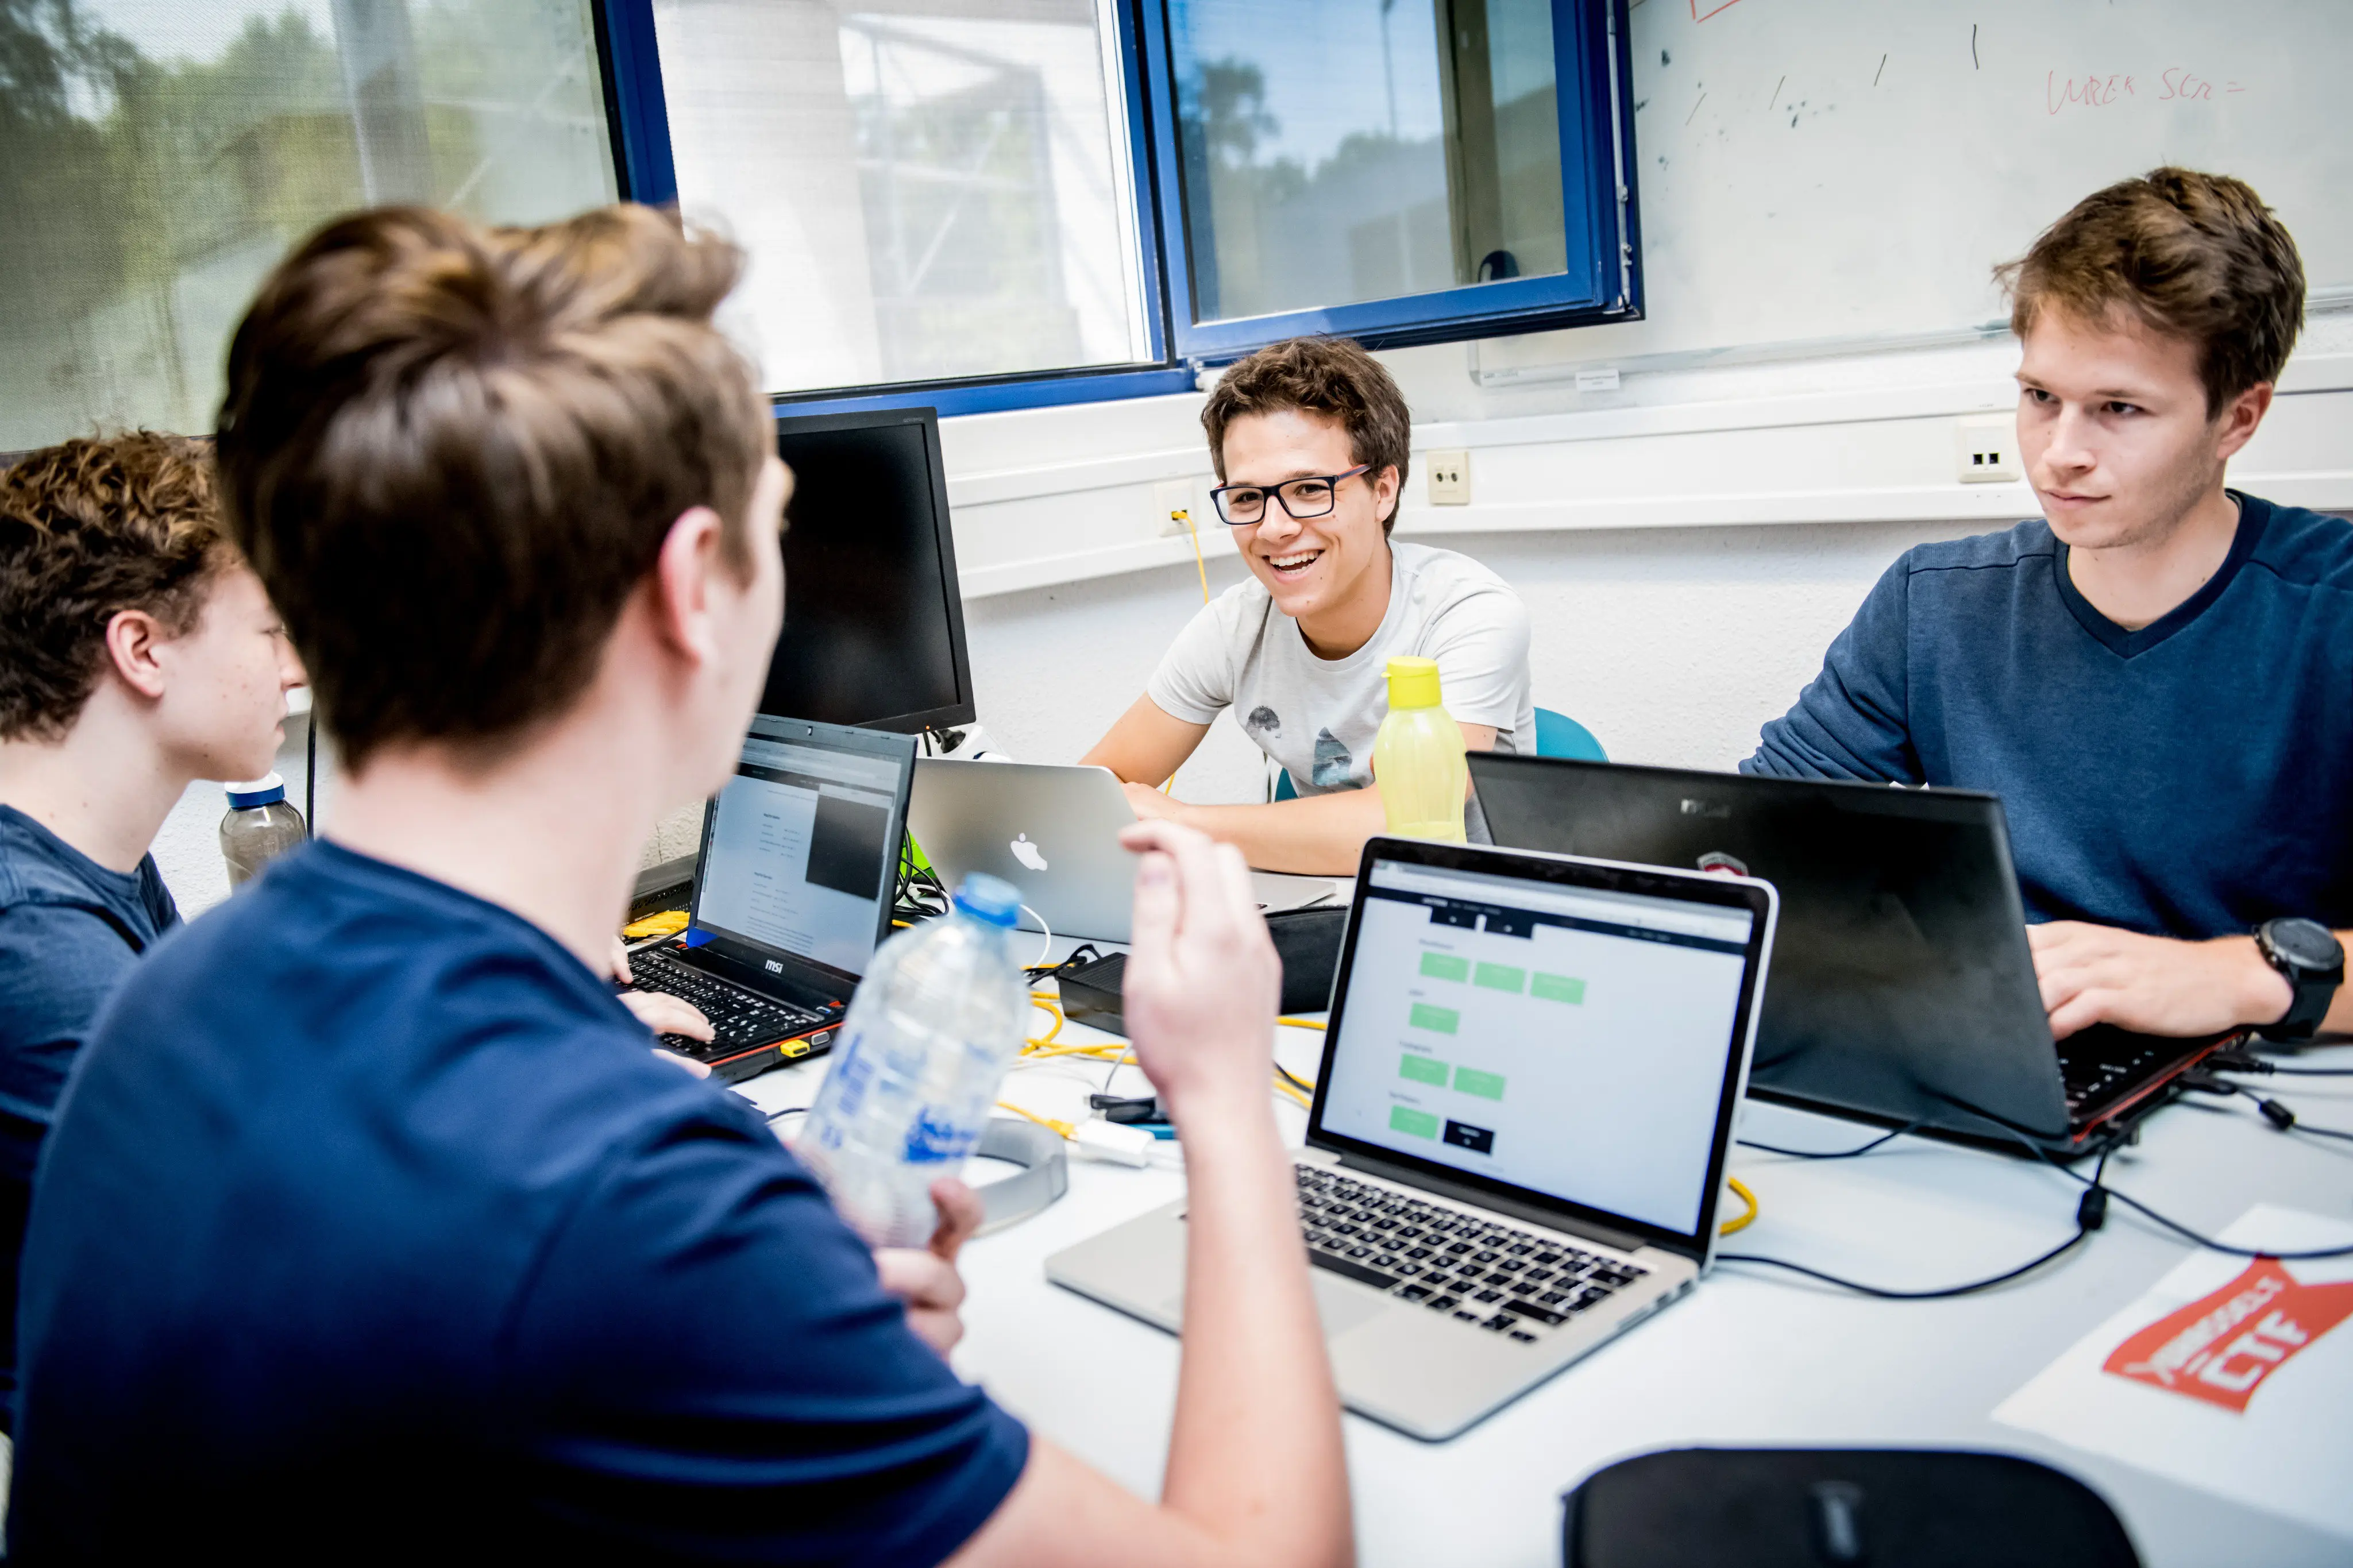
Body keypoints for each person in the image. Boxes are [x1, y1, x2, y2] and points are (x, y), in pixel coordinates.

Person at [12, 205, 1351, 1568]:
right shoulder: (628, 1207)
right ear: (692, 593)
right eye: (778, 530)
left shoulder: (178, 988)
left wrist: (771, 1309)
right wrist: (1227, 1104)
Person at [1746, 168, 2353, 1041]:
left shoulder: (2331, 614)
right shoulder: (1933, 603)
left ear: (2238, 419)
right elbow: (1755, 839)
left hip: (2256, 1090)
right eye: (2040, 398)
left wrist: (2226, 976)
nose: (2059, 453)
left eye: (2119, 408)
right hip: (2005, 1059)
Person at [0, 432, 306, 1430]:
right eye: (268, 631)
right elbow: (280, 1246)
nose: (296, 669)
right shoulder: (31, 944)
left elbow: (228, 1063)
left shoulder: (94, 860)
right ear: (140, 649)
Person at [1083, 337, 1533, 876]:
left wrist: (1181, 821)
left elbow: (1403, 824)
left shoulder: (1468, 613)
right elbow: (1090, 793)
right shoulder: (1235, 627)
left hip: (1460, 914)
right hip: (1314, 905)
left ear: (1383, 491)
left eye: (1309, 489)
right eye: (1248, 498)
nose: (1275, 528)